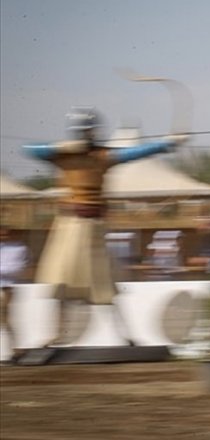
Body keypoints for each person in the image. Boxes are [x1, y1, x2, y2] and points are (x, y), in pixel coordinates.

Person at [21, 107, 188, 346]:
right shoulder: (63, 155)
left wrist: (166, 144)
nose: (92, 134)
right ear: (83, 131)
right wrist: (61, 148)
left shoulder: (101, 156)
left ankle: (125, 335)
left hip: (92, 228)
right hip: (69, 226)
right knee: (62, 283)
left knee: (103, 283)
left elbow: (133, 153)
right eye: (89, 130)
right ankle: (55, 335)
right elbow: (28, 150)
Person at [1, 225, 28, 357]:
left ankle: (15, 348)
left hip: (6, 287)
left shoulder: (19, 248)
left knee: (5, 319)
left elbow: (15, 269)